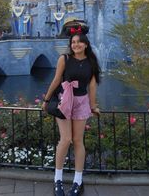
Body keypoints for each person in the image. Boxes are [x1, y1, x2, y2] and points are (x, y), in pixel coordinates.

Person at [42, 28, 101, 196]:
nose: (76, 44)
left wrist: (93, 105)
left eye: (79, 42)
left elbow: (92, 85)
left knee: (77, 140)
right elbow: (56, 80)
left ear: (86, 44)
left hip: (81, 102)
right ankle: (58, 179)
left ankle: (77, 180)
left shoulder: (92, 62)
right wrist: (46, 100)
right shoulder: (65, 59)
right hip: (65, 100)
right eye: (73, 42)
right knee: (65, 139)